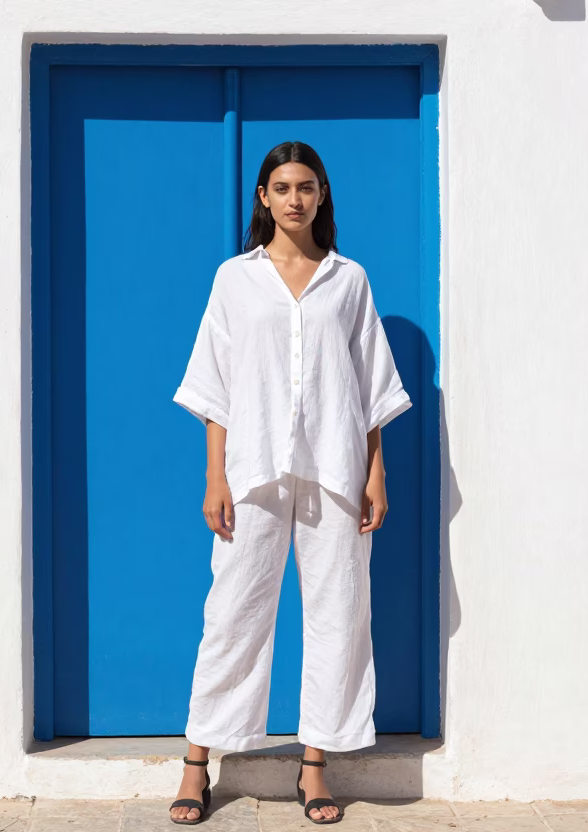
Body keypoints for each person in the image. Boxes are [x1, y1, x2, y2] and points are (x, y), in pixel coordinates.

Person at [168, 141, 412, 825]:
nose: (295, 198)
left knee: (338, 619)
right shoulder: (234, 280)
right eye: (281, 187)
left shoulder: (349, 281)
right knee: (233, 617)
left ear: (323, 193)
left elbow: (369, 389)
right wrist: (215, 477)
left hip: (334, 472)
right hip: (253, 472)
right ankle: (197, 764)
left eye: (307, 186)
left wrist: (376, 471)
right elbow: (214, 388)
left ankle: (315, 766)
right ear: (263, 199)